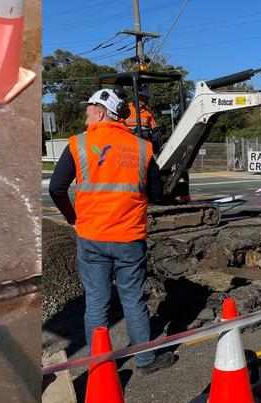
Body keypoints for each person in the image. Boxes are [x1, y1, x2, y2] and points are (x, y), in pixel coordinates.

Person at [48, 88, 174, 374]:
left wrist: (72, 218)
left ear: (102, 113)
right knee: (133, 299)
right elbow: (157, 193)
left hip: (92, 237)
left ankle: (99, 365)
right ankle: (144, 360)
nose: (86, 114)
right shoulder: (141, 147)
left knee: (96, 301)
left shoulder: (78, 144)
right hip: (129, 237)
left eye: (89, 109)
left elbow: (57, 188)